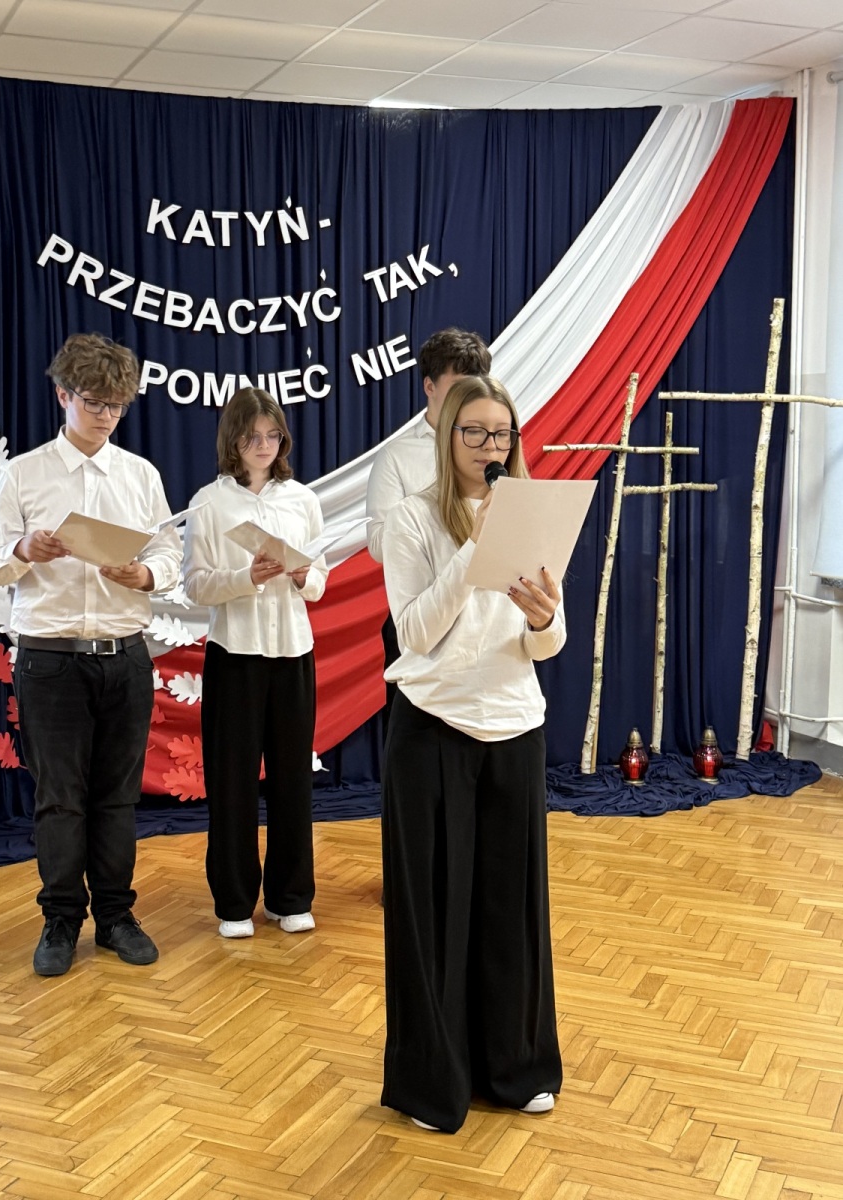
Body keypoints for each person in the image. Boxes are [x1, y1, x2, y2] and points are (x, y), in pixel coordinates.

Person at [380, 375, 566, 1134]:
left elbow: (546, 644)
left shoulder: (533, 515)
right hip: (434, 725)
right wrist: (473, 551)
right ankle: (434, 1082)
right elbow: (415, 633)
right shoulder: (413, 518)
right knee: (434, 911)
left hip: (515, 723)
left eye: (502, 434)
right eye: (476, 432)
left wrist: (545, 619)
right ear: (448, 434)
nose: (492, 446)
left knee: (510, 907)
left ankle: (517, 1067)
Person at [0, 333, 182, 977]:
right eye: (95, 402)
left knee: (117, 797)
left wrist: (146, 575)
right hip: (50, 658)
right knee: (60, 799)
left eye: (118, 405)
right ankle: (61, 918)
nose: (107, 416)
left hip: (125, 655)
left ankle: (116, 916)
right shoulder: (24, 472)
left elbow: (169, 555)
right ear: (63, 394)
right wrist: (24, 552)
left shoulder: (140, 474)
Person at [183, 388, 327, 940]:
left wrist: (302, 575)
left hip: (293, 653)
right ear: (233, 441)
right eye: (252, 437)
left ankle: (291, 897)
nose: (264, 446)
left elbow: (319, 582)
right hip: (234, 655)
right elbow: (195, 586)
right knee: (232, 781)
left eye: (273, 436)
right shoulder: (209, 503)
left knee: (293, 779)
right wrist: (246, 578)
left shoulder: (302, 499)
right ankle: (235, 902)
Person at [367, 328, 492, 728]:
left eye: (475, 389)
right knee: (418, 736)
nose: (467, 401)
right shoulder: (398, 456)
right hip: (419, 612)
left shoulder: (495, 449)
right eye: (457, 389)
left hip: (488, 617)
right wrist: (431, 521)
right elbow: (377, 543)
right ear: (429, 386)